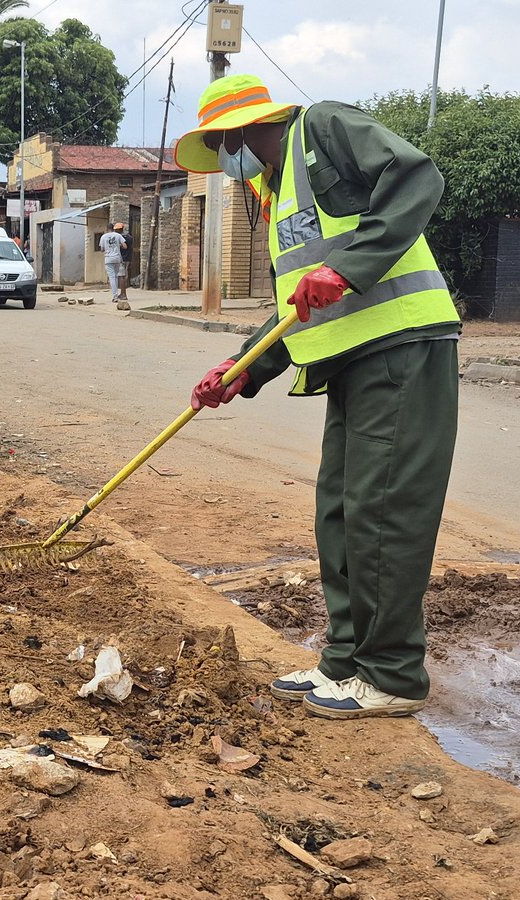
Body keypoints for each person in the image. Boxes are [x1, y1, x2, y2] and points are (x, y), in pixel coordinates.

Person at [175, 74, 461, 720]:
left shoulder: (323, 131)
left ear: (250, 128)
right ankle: (345, 662)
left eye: (225, 145)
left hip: (405, 348)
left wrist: (348, 267)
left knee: (382, 513)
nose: (226, 162)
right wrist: (241, 369)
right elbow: (300, 310)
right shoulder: (276, 194)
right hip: (353, 364)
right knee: (339, 512)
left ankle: (390, 673)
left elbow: (417, 177)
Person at [98, 222, 127, 301]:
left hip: (108, 258)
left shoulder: (103, 236)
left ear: (107, 228)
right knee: (116, 276)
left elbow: (102, 249)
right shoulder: (118, 235)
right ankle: (116, 294)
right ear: (113, 228)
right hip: (117, 258)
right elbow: (125, 246)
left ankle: (115, 296)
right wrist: (118, 245)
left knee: (111, 277)